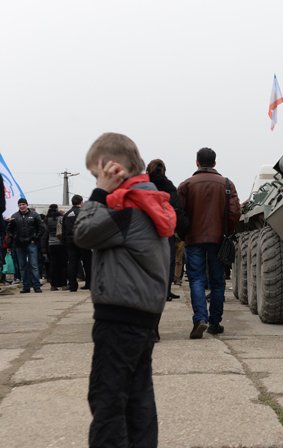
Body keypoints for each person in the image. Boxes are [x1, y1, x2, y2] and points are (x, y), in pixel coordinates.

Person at [74, 132, 175, 448]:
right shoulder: (150, 203)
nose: (97, 180)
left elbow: (82, 233)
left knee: (107, 399)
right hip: (142, 317)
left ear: (112, 170)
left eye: (97, 173)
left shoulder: (127, 211)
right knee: (136, 397)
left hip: (119, 318)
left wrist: (98, 193)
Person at [178, 147, 240, 338]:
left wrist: (184, 233)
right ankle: (215, 322)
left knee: (196, 279)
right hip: (218, 239)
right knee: (218, 281)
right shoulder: (227, 184)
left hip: (193, 239)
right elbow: (235, 213)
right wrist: (226, 232)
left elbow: (179, 214)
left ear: (197, 162)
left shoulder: (186, 185)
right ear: (214, 162)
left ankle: (200, 319)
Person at [146, 159, 181, 301]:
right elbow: (176, 206)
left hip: (147, 229)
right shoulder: (168, 185)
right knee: (168, 260)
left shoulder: (144, 185)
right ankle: (166, 291)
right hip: (166, 228)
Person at [7, 198, 43, 293]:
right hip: (19, 245)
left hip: (31, 244)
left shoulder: (35, 215)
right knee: (22, 266)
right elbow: (9, 230)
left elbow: (41, 228)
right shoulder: (14, 216)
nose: (22, 206)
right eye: (20, 205)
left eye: (23, 204)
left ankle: (36, 286)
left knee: (34, 265)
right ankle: (26, 286)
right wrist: (14, 238)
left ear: (27, 205)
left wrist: (35, 238)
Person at [62, 194, 92, 291]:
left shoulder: (66, 215)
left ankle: (72, 286)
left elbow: (64, 231)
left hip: (71, 242)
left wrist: (66, 242)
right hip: (83, 241)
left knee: (72, 263)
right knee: (88, 263)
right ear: (81, 202)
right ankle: (89, 283)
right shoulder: (85, 213)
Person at [42, 204, 67, 290]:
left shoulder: (46, 219)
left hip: (51, 244)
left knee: (53, 264)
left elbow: (45, 233)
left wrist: (44, 247)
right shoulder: (61, 218)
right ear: (56, 209)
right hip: (61, 243)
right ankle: (64, 284)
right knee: (63, 264)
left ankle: (53, 285)